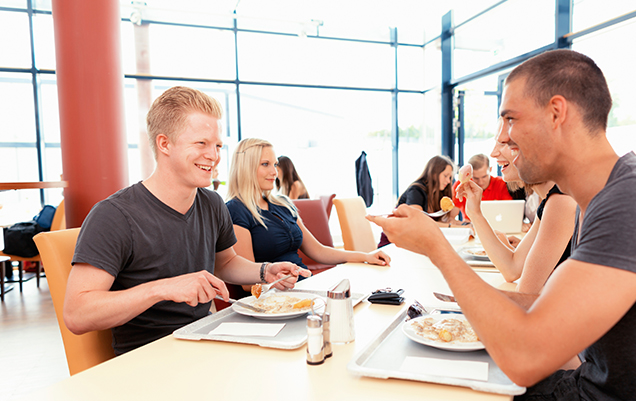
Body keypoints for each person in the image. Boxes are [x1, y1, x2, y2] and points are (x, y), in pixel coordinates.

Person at [368, 49, 636, 401]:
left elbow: (525, 357)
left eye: (510, 119)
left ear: (556, 113)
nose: (504, 139)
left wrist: (437, 248)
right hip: (605, 396)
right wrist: (468, 297)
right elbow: (551, 308)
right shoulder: (597, 200)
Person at [64, 86, 310, 356]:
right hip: (150, 357)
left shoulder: (211, 203)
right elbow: (77, 314)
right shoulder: (114, 215)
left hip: (206, 338)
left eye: (217, 145)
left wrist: (264, 271)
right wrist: (163, 288)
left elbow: (225, 262)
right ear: (164, 143)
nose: (214, 156)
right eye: (201, 143)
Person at [226, 138, 390, 298]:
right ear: (246, 168)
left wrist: (366, 256)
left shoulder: (283, 204)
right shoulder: (236, 210)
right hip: (275, 298)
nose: (274, 172)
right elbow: (247, 284)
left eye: (275, 164)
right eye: (265, 164)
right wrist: (277, 283)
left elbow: (318, 251)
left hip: (305, 287)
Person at [458, 140, 576, 294]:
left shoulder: (561, 203)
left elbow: (524, 296)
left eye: (504, 143)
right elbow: (511, 269)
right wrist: (475, 213)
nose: (493, 152)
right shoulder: (551, 201)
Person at [378, 155, 461, 248]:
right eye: (445, 176)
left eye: (450, 177)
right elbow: (419, 223)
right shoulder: (416, 191)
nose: (448, 181)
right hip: (392, 245)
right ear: (433, 173)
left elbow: (446, 219)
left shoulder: (438, 195)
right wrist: (452, 227)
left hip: (411, 244)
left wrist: (460, 224)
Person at [451, 153, 512, 221]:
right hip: (471, 227)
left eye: (484, 176)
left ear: (490, 169)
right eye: (476, 178)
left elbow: (510, 212)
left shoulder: (502, 184)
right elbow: (451, 217)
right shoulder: (462, 185)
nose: (480, 182)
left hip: (498, 226)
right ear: (470, 175)